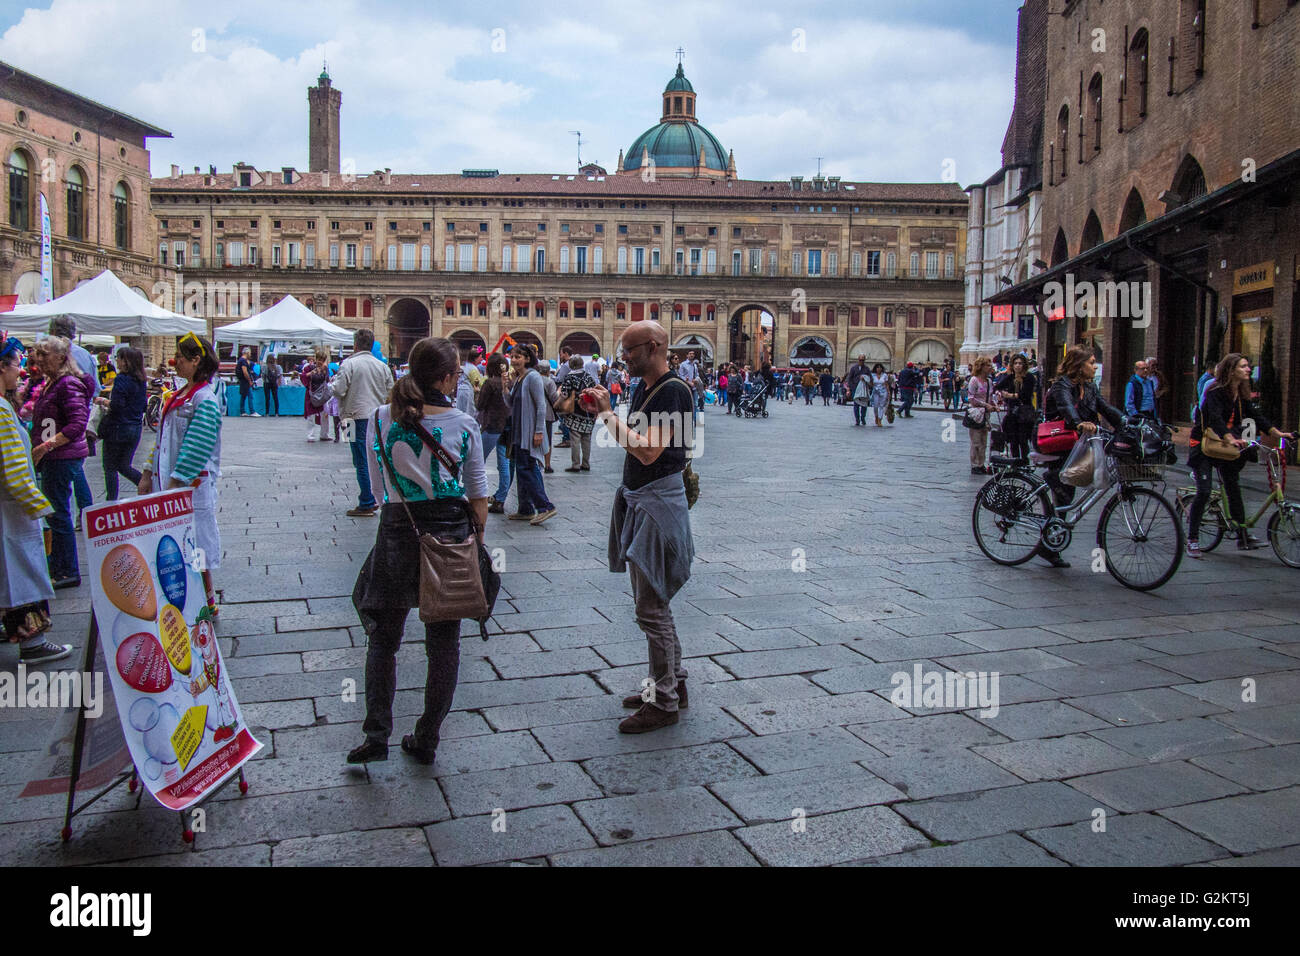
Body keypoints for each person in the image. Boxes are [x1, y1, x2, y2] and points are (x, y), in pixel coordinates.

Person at [347, 337, 489, 766]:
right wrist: (476, 546)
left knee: (383, 640)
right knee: (443, 643)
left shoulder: (378, 418)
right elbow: (479, 493)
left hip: (396, 532)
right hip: (449, 535)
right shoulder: (463, 423)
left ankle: (376, 735)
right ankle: (426, 736)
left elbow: (375, 489)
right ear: (446, 378)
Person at [581, 319, 694, 734]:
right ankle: (673, 685)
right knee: (656, 603)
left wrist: (608, 416)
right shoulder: (644, 388)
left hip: (657, 506)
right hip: (642, 501)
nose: (622, 357)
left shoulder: (673, 391)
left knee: (651, 608)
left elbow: (647, 452)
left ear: (652, 346)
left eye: (628, 350)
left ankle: (662, 702)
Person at [138, 333, 224, 615]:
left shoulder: (204, 399)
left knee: (196, 544)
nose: (176, 363)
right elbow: (161, 440)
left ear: (196, 361)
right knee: (177, 543)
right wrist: (148, 472)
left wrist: (176, 481)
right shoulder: (180, 395)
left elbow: (197, 445)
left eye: (182, 359)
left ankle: (206, 599)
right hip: (171, 485)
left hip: (189, 487)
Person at [1185, 353, 1296, 558]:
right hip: (1204, 446)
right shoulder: (1214, 391)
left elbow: (1256, 416)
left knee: (1233, 487)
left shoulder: (1241, 394)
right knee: (1204, 491)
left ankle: (1242, 535)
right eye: (1244, 366)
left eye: (1248, 366)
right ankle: (1192, 539)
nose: (1248, 369)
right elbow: (1215, 419)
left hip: (1225, 447)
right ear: (1231, 369)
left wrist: (1278, 433)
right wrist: (1230, 438)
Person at [0, 338, 69, 663]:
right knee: (23, 572)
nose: (20, 370)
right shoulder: (1, 410)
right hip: (14, 511)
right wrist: (39, 508)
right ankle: (32, 642)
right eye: (16, 363)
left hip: (9, 510)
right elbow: (14, 471)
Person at [1039, 347, 1125, 568]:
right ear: (1078, 365)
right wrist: (1078, 421)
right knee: (1064, 491)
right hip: (1057, 441)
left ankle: (1051, 539)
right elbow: (1066, 407)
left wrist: (1127, 422)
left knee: (1070, 489)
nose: (1095, 366)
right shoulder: (1062, 386)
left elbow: (1107, 409)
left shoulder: (1090, 387)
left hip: (1077, 443)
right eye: (1092, 362)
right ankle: (1049, 543)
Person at [29, 336, 93, 590]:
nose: (39, 359)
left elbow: (77, 424)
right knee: (55, 512)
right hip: (54, 456)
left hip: (61, 457)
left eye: (45, 354)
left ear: (61, 358)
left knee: (58, 513)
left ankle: (66, 570)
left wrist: (46, 446)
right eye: (38, 354)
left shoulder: (67, 384)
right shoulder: (52, 383)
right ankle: (59, 566)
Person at [330, 329, 395, 518]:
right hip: (377, 417)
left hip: (351, 417)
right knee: (374, 457)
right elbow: (391, 391)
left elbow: (339, 390)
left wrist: (331, 386)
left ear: (355, 344)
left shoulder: (348, 364)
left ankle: (367, 501)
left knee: (359, 459)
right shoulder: (381, 366)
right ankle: (375, 496)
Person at [506, 344, 557, 524]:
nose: (514, 360)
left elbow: (541, 405)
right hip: (518, 431)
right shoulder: (519, 379)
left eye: (518, 357)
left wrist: (538, 432)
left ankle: (545, 506)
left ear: (527, 358)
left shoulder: (533, 377)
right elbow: (511, 403)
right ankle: (525, 508)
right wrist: (507, 387)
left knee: (526, 469)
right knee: (524, 469)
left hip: (527, 433)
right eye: (512, 356)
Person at [95, 346, 147, 501]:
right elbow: (144, 405)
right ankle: (145, 484)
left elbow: (117, 405)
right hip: (135, 428)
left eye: (118, 357)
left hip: (118, 428)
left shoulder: (121, 379)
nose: (115, 359)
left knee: (110, 467)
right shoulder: (141, 380)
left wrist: (103, 401)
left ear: (126, 362)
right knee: (124, 465)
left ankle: (111, 502)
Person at [476, 353, 513, 514]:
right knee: (504, 465)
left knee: (477, 461)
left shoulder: (489, 383)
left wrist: (477, 391)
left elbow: (480, 405)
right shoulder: (509, 383)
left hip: (491, 426)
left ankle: (476, 495)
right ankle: (500, 499)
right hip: (507, 426)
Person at [556, 355, 598, 472]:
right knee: (586, 438)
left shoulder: (570, 377)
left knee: (575, 438)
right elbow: (595, 392)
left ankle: (575, 464)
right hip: (588, 411)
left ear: (572, 365)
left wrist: (558, 404)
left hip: (574, 410)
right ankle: (586, 463)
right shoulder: (589, 376)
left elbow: (564, 393)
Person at [995, 354, 1037, 459]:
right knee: (1013, 440)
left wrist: (1010, 395)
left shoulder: (1029, 377)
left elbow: (1025, 395)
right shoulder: (1010, 378)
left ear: (1024, 365)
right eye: (1015, 363)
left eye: (1020, 363)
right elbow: (997, 387)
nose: (1018, 366)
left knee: (1023, 440)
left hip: (1024, 413)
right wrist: (999, 394)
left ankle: (1024, 463)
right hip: (1012, 413)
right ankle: (1015, 463)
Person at [965, 356, 997, 475]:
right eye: (988, 365)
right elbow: (971, 398)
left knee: (984, 441)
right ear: (981, 367)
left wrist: (994, 404)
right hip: (976, 414)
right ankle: (975, 465)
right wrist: (985, 405)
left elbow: (990, 396)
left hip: (985, 414)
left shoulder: (989, 381)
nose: (990, 367)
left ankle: (981, 464)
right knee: (976, 441)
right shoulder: (974, 380)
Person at [303, 347, 331, 441]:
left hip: (322, 395)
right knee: (311, 416)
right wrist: (310, 373)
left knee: (325, 414)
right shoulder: (309, 368)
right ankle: (310, 435)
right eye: (319, 359)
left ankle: (324, 434)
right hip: (311, 395)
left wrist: (324, 370)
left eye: (322, 360)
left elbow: (327, 381)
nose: (320, 362)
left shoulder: (326, 369)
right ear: (316, 359)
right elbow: (303, 377)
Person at [538, 360, 558, 474]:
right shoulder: (550, 382)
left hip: (535, 413)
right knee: (548, 440)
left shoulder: (533, 380)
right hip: (547, 414)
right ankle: (547, 464)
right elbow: (554, 398)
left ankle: (538, 462)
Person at [846, 355, 869, 426]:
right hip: (855, 388)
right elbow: (849, 378)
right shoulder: (853, 368)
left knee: (864, 404)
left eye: (863, 360)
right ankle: (857, 419)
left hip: (863, 388)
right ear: (858, 360)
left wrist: (865, 378)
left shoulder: (866, 369)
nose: (861, 361)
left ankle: (863, 418)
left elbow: (869, 377)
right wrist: (849, 388)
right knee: (856, 404)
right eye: (860, 360)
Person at [235, 347, 258, 417]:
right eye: (250, 353)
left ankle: (242, 411)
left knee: (243, 396)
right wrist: (249, 380)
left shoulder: (240, 360)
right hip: (245, 381)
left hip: (242, 380)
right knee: (250, 396)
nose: (250, 355)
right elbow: (245, 371)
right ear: (247, 353)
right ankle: (252, 411)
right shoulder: (243, 361)